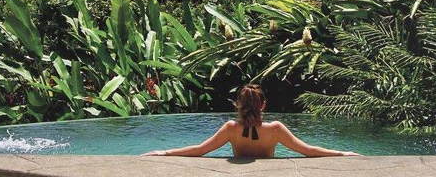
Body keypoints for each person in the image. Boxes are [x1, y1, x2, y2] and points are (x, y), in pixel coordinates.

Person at [142, 84, 361, 158]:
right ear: (263, 105)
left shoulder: (231, 129)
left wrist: (165, 152)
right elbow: (308, 151)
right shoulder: (275, 129)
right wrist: (342, 153)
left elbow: (200, 150)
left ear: (238, 105)